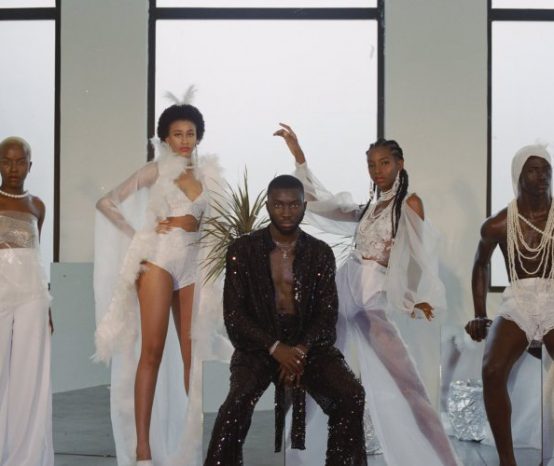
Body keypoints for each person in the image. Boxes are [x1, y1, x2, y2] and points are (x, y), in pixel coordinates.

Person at [274, 124, 459, 466]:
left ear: (400, 163)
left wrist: (411, 298)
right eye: (372, 165)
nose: (377, 170)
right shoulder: (370, 208)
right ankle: (297, 456)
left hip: (372, 295)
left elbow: (417, 257)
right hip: (343, 288)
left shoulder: (409, 203)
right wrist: (298, 156)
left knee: (409, 385)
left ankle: (446, 460)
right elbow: (322, 205)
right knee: (312, 368)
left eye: (384, 163)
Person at [94, 91, 229, 466]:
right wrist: (140, 233)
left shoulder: (208, 177)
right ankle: (143, 450)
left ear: (198, 136)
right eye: (177, 134)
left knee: (192, 357)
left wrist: (196, 224)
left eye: (191, 133)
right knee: (151, 351)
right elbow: (107, 201)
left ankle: (191, 446)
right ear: (165, 138)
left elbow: (218, 225)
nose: (185, 140)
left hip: (193, 266)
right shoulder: (155, 171)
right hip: (158, 261)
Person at [204, 175, 367, 466]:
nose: (287, 211)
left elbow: (327, 315)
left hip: (308, 344)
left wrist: (299, 351)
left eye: (293, 204)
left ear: (304, 206)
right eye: (279, 205)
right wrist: (275, 348)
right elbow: (234, 316)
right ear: (268, 206)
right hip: (258, 343)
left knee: (351, 394)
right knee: (235, 405)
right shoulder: (242, 250)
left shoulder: (320, 252)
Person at [465, 144, 554, 466]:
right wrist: (479, 314)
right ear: (519, 175)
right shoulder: (498, 224)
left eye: (546, 170)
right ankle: (507, 460)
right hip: (518, 299)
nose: (542, 176)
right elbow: (480, 265)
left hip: (553, 295)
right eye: (533, 170)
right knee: (492, 369)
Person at [0, 137, 53, 466]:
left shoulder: (37, 206)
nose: (13, 168)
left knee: (30, 376)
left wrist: (48, 303)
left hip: (32, 295)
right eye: (7, 161)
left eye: (20, 161)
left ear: (30, 165)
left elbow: (36, 255)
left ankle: (25, 457)